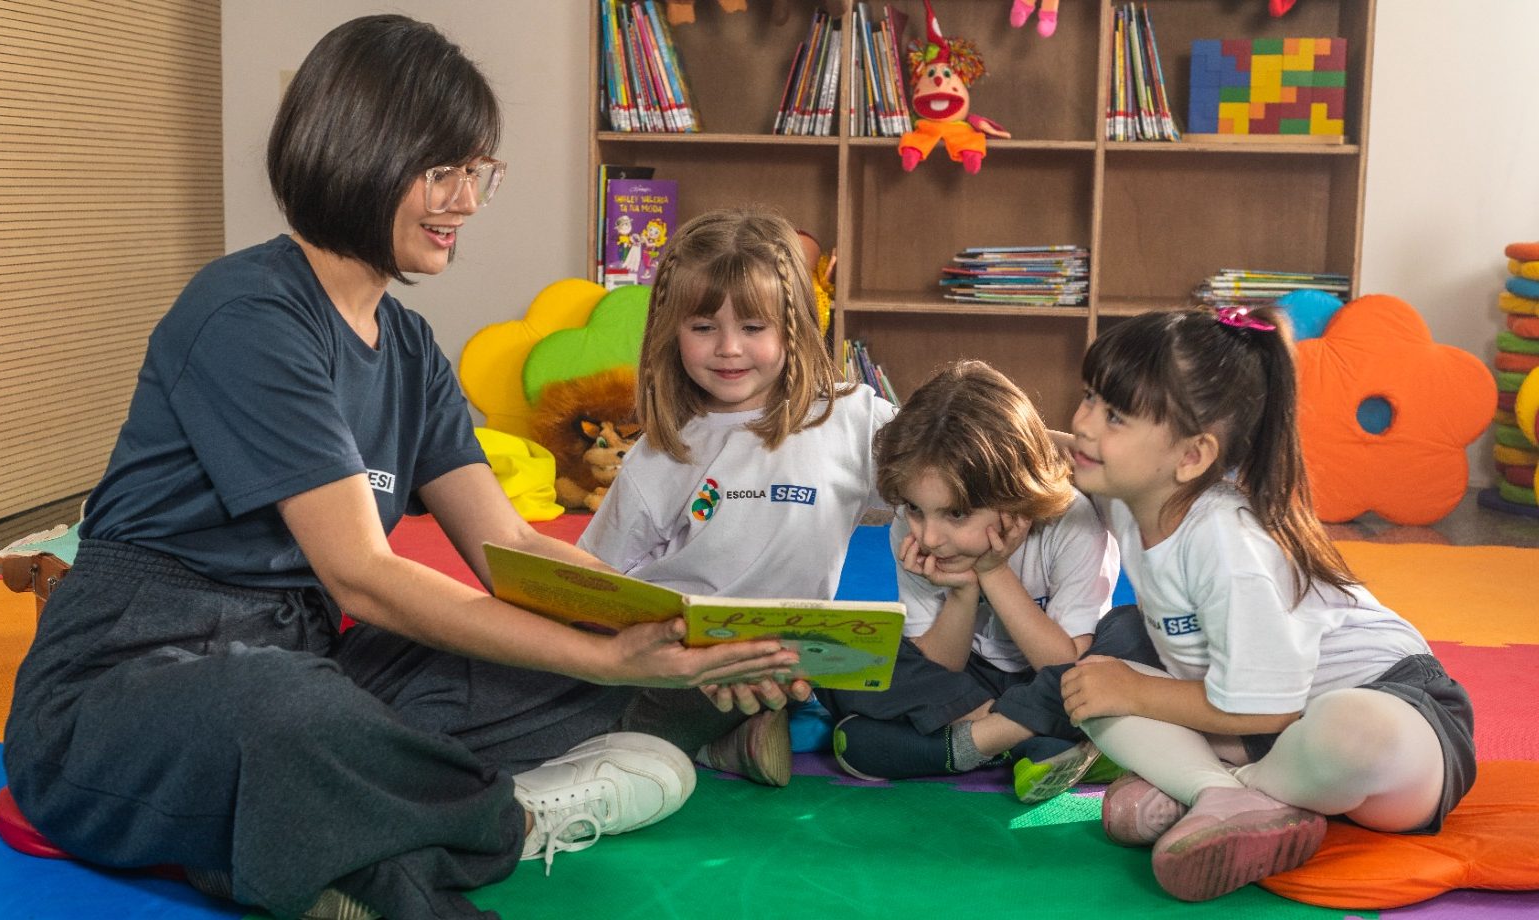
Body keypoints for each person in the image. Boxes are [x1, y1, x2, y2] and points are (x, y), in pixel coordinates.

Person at [1, 17, 798, 920]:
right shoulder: (246, 312)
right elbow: (365, 578)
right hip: (130, 680)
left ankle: (346, 832)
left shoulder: (410, 347)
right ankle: (504, 818)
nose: (466, 200)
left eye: (477, 172)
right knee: (290, 715)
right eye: (442, 173)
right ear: (360, 152)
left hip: (303, 652)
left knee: (510, 665)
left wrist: (685, 633)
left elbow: (508, 552)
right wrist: (617, 665)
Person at [1054, 306, 1475, 902]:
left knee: (1351, 730)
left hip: (1390, 728)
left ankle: (1219, 789)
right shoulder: (1134, 489)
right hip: (1261, 729)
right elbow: (1037, 455)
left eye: (1115, 415)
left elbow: (1266, 712)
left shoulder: (1229, 545)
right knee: (1090, 683)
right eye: (1091, 397)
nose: (1085, 425)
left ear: (1193, 456)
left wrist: (1139, 692)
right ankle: (1220, 794)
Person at [577, 207, 899, 787]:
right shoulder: (662, 452)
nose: (728, 348)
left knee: (901, 683)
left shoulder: (850, 417)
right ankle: (724, 742)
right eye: (703, 328)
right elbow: (595, 579)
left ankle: (736, 731)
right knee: (608, 725)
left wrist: (1050, 451)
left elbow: (944, 460)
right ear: (670, 332)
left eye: (753, 328)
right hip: (681, 658)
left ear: (796, 325)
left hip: (788, 659)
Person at [818, 360, 1133, 793]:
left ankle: (978, 743)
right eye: (915, 509)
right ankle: (1038, 737)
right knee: (842, 657)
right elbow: (940, 665)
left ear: (1015, 497)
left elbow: (1062, 663)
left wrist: (993, 571)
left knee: (1128, 634)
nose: (929, 536)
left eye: (956, 513)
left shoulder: (1071, 523)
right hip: (971, 681)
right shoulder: (909, 532)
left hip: (1051, 676)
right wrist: (963, 593)